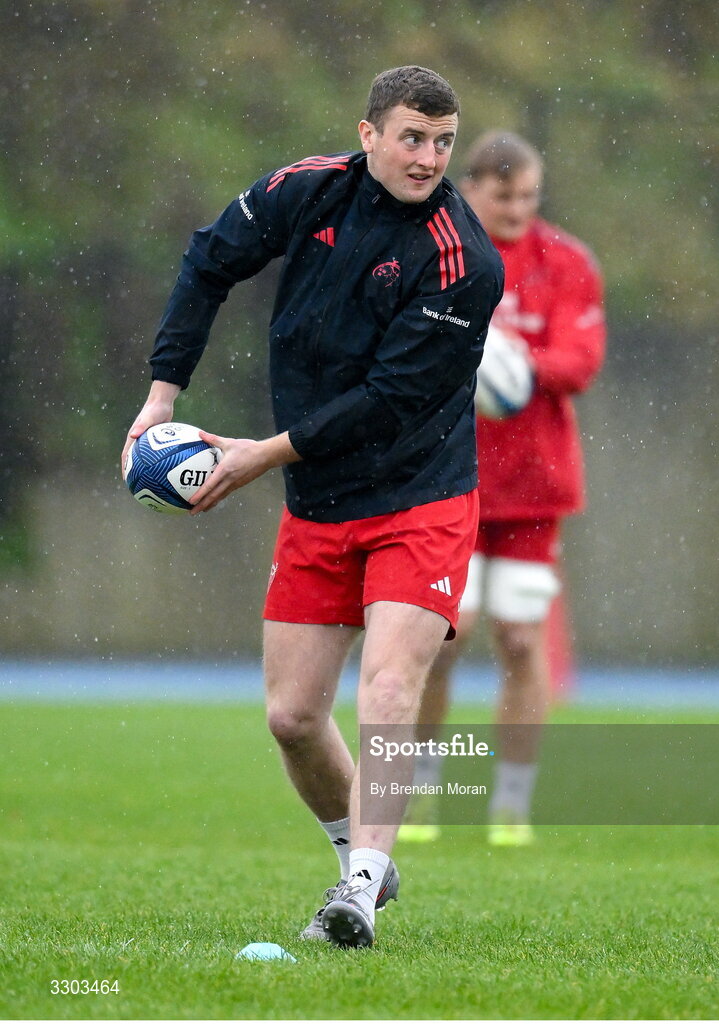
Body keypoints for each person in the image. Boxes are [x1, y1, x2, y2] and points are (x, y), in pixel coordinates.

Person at [121, 67, 503, 948]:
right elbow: (208, 259)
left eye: (443, 142)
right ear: (368, 134)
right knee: (292, 716)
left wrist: (260, 455)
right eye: (412, 137)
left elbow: (387, 398)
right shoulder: (307, 191)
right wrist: (161, 397)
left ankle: (360, 891)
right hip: (322, 501)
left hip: (421, 494)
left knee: (390, 684)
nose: (428, 157)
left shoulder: (463, 259)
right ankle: (360, 862)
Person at [398, 130, 606, 847]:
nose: (519, 208)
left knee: (519, 641)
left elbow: (580, 360)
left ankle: (510, 806)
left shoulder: (567, 262)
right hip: (448, 478)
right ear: (476, 188)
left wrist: (510, 361)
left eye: (530, 196)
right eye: (505, 194)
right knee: (442, 639)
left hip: (535, 489)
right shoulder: (440, 252)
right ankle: (420, 795)